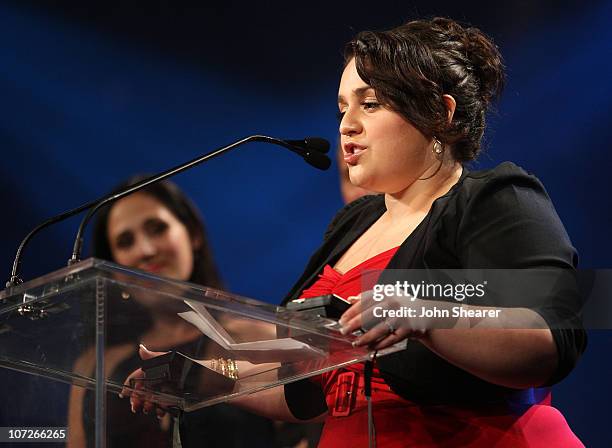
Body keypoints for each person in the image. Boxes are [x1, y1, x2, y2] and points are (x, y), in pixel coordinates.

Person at [127, 17, 586, 447]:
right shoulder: (352, 224)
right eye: (342, 107)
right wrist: (196, 376)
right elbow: (306, 392)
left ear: (441, 113)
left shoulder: (495, 197)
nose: (347, 125)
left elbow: (551, 333)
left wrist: (426, 316)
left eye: (371, 103)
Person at [67, 177, 277, 447]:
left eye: (157, 228)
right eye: (125, 241)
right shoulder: (93, 366)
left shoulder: (259, 337)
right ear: (113, 269)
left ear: (193, 235)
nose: (146, 250)